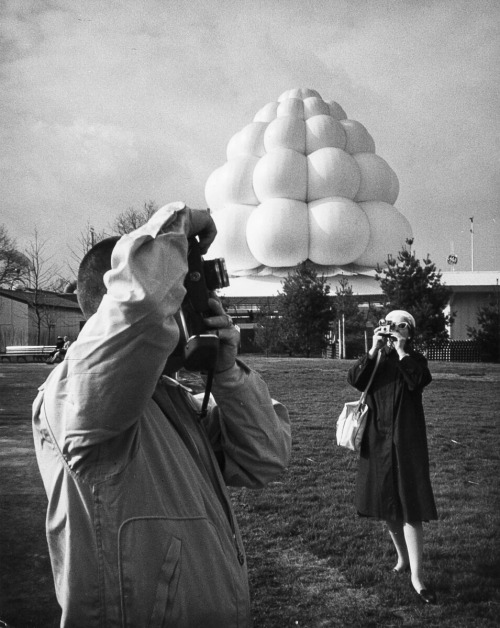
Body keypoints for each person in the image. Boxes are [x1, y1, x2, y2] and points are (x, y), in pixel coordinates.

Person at [32, 202, 291, 627]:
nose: (192, 313)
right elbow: (145, 308)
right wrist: (182, 221)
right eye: (183, 300)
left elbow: (266, 458)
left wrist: (225, 373)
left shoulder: (169, 399)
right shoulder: (74, 399)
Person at [347, 310, 437, 605]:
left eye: (401, 327)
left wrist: (400, 351)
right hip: (378, 440)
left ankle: (417, 576)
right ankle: (402, 559)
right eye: (389, 325)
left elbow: (418, 381)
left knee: (410, 504)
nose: (393, 330)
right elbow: (355, 380)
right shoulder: (376, 360)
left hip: (406, 441)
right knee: (386, 502)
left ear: (409, 332)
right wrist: (373, 349)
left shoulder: (413, 360)